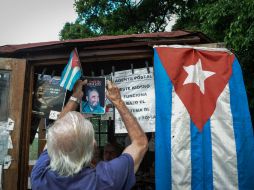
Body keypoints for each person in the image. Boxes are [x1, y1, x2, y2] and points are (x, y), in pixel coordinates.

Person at [31, 80, 148, 190]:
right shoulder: (105, 180)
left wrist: (75, 97)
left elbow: (57, 133)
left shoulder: (39, 177)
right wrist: (118, 101)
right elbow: (140, 143)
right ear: (92, 147)